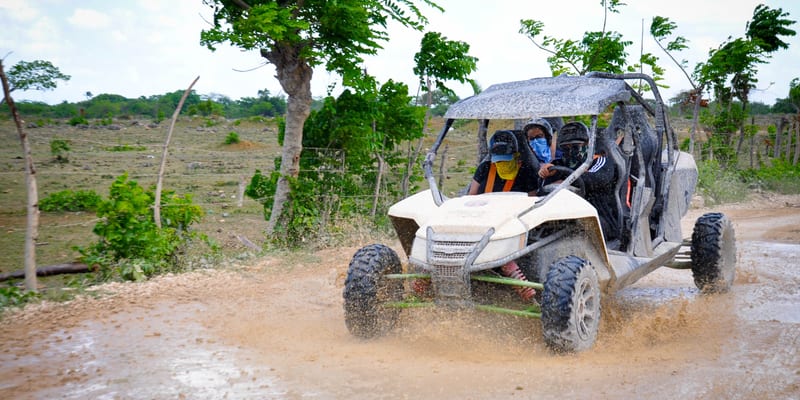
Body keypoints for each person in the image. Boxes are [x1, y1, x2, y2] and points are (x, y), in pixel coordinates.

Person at [538, 122, 621, 244]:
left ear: (588, 144)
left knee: (577, 231)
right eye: (565, 149)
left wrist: (565, 179)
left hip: (597, 218)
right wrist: (546, 173)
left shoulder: (601, 161)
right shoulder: (560, 164)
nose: (570, 151)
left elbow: (594, 180)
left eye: (575, 147)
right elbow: (543, 191)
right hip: (562, 216)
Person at [468, 130, 539, 196]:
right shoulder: (484, 168)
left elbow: (532, 200)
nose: (502, 163)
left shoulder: (526, 172)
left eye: (506, 160)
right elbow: (471, 196)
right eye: (498, 161)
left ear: (515, 155)